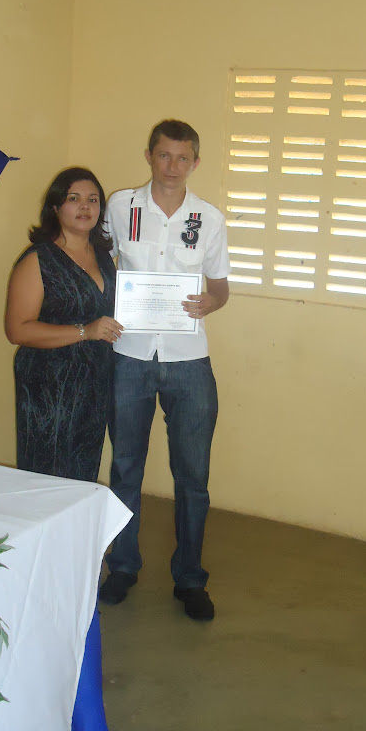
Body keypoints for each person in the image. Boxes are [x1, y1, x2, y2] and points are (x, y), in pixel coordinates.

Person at [99, 120, 230, 621]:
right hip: (129, 354)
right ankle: (123, 567)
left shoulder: (209, 219)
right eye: (163, 155)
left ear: (195, 162)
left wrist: (210, 302)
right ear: (149, 155)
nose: (172, 166)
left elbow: (220, 285)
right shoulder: (120, 207)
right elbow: (99, 260)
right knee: (125, 468)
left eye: (182, 157)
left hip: (188, 359)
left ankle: (190, 578)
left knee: (193, 476)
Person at [5, 167, 123, 482]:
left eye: (93, 200)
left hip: (94, 381)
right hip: (50, 385)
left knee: (83, 470)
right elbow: (17, 330)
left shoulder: (103, 256)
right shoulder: (38, 260)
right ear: (56, 207)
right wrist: (85, 331)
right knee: (48, 475)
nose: (85, 206)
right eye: (74, 198)